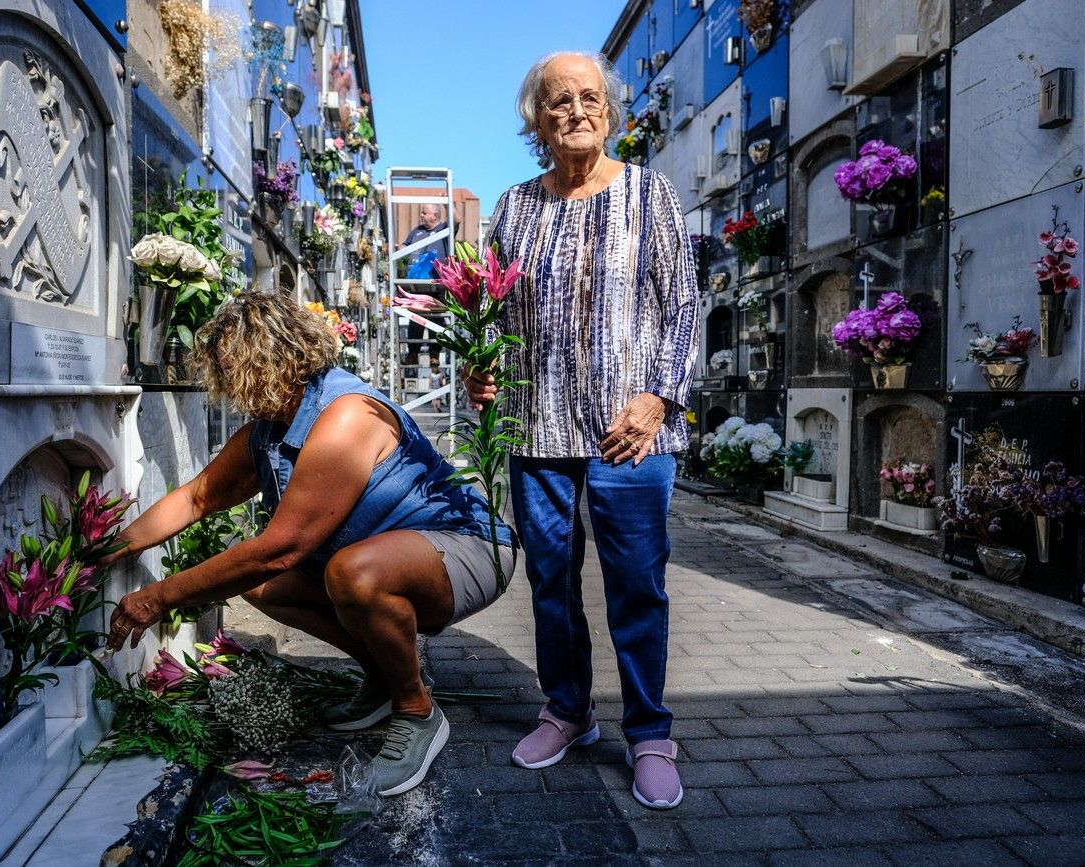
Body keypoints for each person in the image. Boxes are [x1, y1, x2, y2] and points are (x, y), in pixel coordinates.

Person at [104, 293, 516, 797]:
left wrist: (157, 596)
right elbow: (196, 499)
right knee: (264, 588)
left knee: (350, 573)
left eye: (232, 373)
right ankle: (383, 678)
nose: (230, 391)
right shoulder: (270, 429)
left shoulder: (345, 417)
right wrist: (109, 546)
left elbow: (281, 548)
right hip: (389, 557)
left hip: (467, 548)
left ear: (268, 361)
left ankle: (417, 710)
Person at [466, 51, 699, 810]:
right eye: (559, 100)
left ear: (610, 110)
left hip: (630, 433)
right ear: (537, 118)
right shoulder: (513, 208)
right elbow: (487, 311)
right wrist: (482, 368)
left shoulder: (649, 195)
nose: (576, 110)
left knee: (637, 586)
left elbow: (684, 310)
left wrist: (660, 395)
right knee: (551, 585)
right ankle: (568, 711)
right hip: (537, 427)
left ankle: (650, 733)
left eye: (590, 97)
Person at [399, 204, 450, 362]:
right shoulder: (417, 230)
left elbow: (457, 219)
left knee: (437, 316)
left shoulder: (444, 229)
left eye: (424, 212)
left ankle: (435, 353)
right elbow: (404, 246)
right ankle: (413, 352)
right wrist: (397, 250)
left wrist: (447, 204)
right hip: (417, 281)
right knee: (415, 316)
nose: (421, 215)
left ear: (435, 215)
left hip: (436, 281)